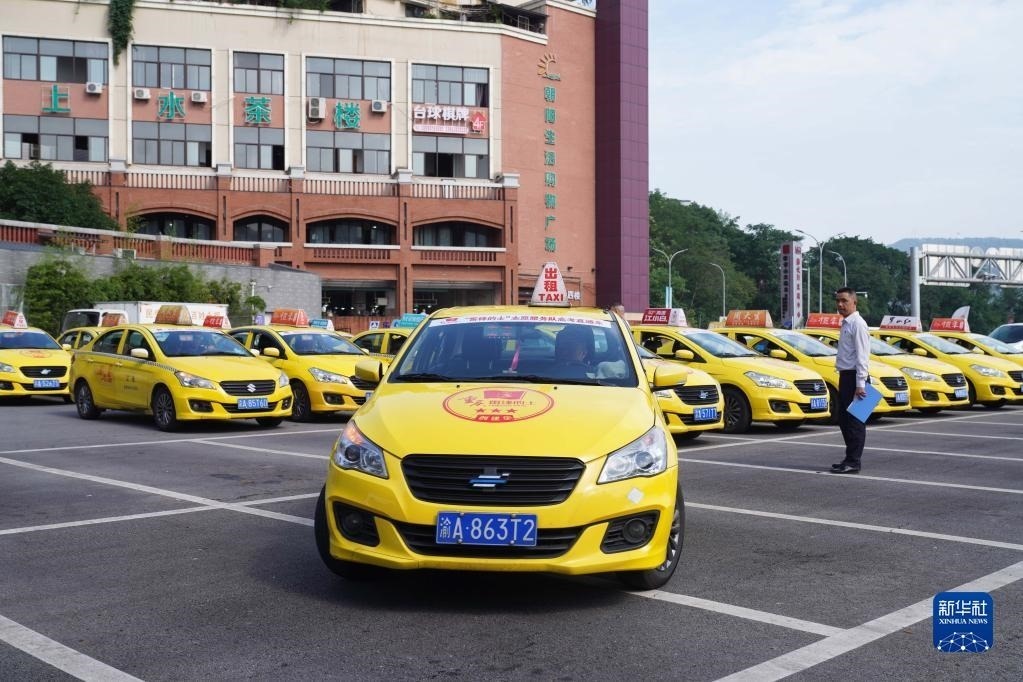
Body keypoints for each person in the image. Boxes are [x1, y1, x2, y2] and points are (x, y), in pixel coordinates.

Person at [832, 287, 870, 474]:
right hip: (846, 376)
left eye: (844, 301)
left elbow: (863, 356)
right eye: (838, 300)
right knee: (844, 420)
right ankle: (849, 458)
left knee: (855, 422)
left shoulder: (858, 324)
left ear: (854, 302)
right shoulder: (846, 323)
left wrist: (860, 384)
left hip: (856, 378)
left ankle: (854, 462)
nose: (840, 304)